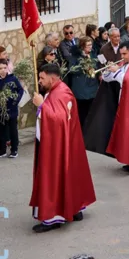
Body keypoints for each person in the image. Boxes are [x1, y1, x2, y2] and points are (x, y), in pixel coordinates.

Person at [30, 64, 96, 233]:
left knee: (55, 176)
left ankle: (53, 217)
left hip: (58, 146)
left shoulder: (63, 92)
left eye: (42, 78)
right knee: (68, 175)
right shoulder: (54, 91)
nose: (40, 81)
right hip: (61, 142)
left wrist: (41, 106)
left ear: (52, 78)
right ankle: (73, 209)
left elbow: (59, 120)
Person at [91, 41, 129, 172]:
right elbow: (109, 79)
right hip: (123, 99)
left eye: (124, 54)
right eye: (121, 54)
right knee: (124, 131)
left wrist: (117, 71)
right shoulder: (124, 64)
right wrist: (107, 71)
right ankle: (128, 159)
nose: (122, 57)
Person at [68, 37, 100, 131]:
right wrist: (83, 67)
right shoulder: (75, 57)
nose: (91, 47)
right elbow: (72, 69)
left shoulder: (93, 54)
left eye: (91, 45)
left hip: (92, 86)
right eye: (88, 45)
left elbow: (96, 65)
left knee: (92, 111)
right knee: (82, 112)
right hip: (81, 88)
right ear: (82, 47)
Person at [0, 59, 24, 158]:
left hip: (12, 109)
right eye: (0, 68)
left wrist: (15, 101)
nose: (2, 70)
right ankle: (2, 150)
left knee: (13, 130)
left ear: (7, 68)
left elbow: (20, 90)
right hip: (1, 110)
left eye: (4, 68)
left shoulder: (12, 78)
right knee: (1, 130)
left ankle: (14, 150)